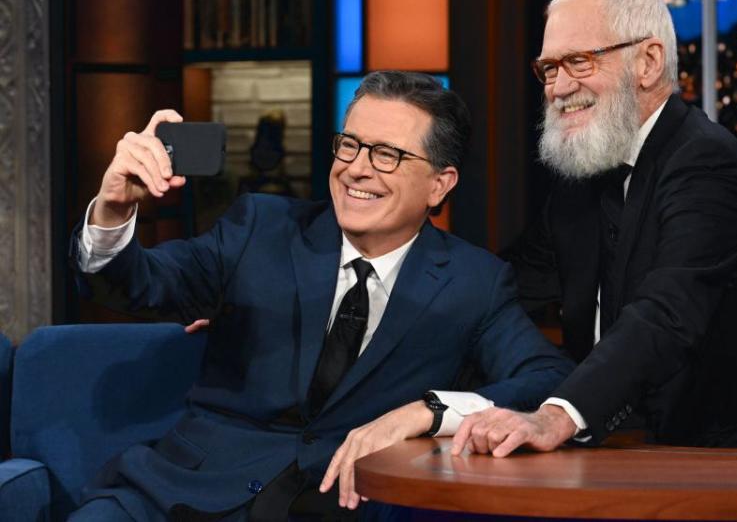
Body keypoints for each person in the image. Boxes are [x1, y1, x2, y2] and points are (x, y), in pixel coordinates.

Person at [68, 71, 573, 521]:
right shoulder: (259, 228)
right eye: (349, 145)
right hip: (184, 491)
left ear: (440, 185)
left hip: (340, 500)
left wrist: (430, 412)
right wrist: (112, 210)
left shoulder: (473, 282)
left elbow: (548, 379)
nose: (356, 168)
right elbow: (141, 283)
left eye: (387, 154)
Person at [452, 0, 737, 458]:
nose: (559, 87)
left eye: (579, 62)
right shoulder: (582, 177)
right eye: (548, 69)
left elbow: (667, 313)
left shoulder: (707, 162)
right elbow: (506, 287)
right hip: (623, 453)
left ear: (648, 63)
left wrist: (555, 416)